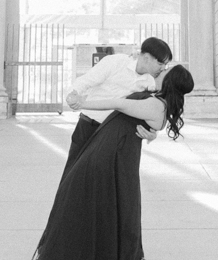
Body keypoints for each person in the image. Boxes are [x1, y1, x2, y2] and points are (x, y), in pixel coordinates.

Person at [27, 63, 195, 260]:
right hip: (109, 152)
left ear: (170, 79)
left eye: (166, 71)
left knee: (74, 197)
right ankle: (63, 258)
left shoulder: (155, 105)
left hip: (108, 155)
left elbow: (119, 104)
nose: (161, 71)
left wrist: (82, 102)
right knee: (102, 205)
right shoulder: (155, 99)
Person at [62, 37, 172, 173]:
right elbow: (86, 81)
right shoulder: (115, 62)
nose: (163, 68)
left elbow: (146, 113)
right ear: (147, 57)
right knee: (73, 175)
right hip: (88, 127)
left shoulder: (150, 83)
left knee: (100, 183)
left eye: (165, 65)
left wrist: (152, 134)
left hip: (112, 135)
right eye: (161, 63)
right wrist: (72, 95)